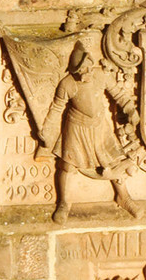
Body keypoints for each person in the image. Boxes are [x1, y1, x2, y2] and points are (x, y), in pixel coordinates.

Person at [41, 34, 138, 222]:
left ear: (91, 63)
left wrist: (129, 108)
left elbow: (118, 93)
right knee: (68, 165)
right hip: (76, 128)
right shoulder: (67, 84)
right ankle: (64, 203)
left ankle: (123, 196)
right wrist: (47, 129)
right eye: (80, 70)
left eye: (86, 67)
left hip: (100, 127)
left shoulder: (101, 75)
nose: (85, 73)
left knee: (113, 162)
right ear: (74, 70)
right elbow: (56, 108)